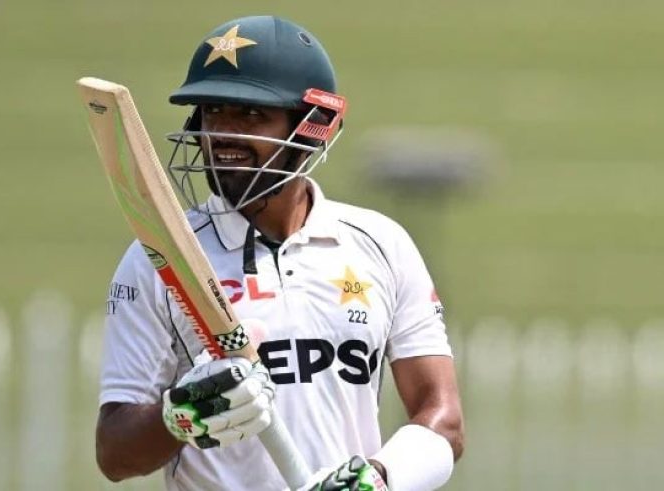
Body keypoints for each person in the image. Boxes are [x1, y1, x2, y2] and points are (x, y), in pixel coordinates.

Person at [95, 15, 464, 491]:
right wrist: (183, 416)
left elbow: (443, 418)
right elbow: (114, 454)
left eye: (251, 114)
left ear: (311, 127)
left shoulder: (380, 244)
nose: (222, 133)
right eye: (213, 111)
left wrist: (378, 480)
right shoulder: (157, 258)